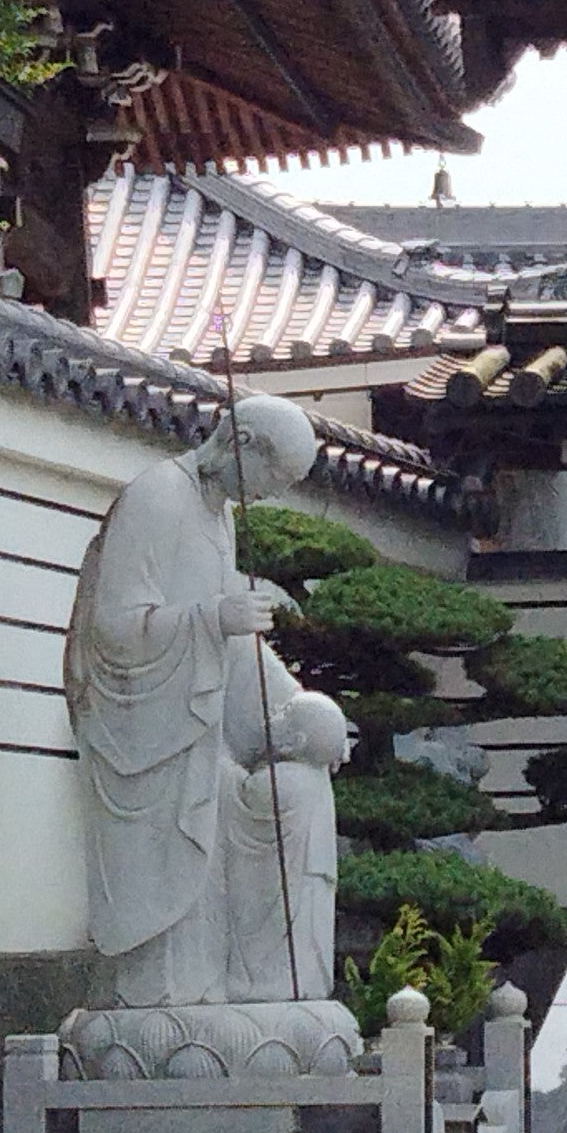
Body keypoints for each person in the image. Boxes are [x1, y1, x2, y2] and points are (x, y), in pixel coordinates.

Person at [62, 397, 320, 1007]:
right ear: (243, 443)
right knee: (183, 884)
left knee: (295, 795)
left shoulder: (218, 514)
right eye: (273, 478)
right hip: (147, 736)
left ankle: (262, 984)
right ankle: (163, 1004)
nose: (270, 496)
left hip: (198, 733)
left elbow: (232, 644)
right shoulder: (157, 497)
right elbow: (113, 628)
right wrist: (213, 617)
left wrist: (301, 709)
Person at [223, 688, 349, 1006]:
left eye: (283, 715)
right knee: (306, 939)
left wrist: (222, 767)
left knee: (281, 942)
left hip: (284, 886)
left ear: (298, 741)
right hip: (305, 881)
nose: (272, 718)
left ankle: (266, 984)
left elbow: (242, 800)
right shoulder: (317, 782)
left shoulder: (284, 780)